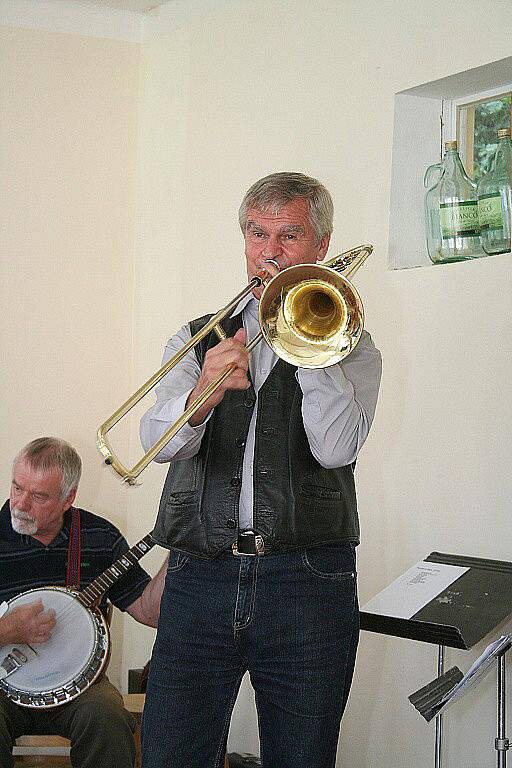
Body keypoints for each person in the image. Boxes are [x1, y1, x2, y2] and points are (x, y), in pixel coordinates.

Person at [140, 172, 383, 768]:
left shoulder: (356, 347)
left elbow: (335, 450)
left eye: (289, 235)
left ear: (321, 246)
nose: (269, 251)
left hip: (308, 580)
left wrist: (312, 346)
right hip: (200, 577)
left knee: (302, 756)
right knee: (172, 753)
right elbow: (155, 443)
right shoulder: (197, 337)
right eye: (257, 233)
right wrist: (202, 390)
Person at [0, 437, 167, 768]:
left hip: (81, 689)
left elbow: (152, 613)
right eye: (17, 487)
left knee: (109, 718)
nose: (20, 503)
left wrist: (179, 551)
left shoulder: (99, 537)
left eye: (38, 496)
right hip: (4, 686)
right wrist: (8, 629)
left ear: (68, 499)